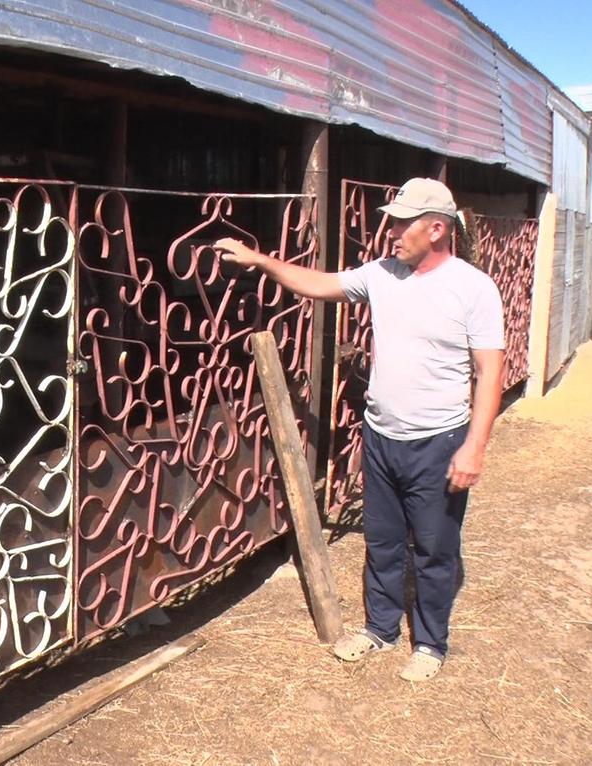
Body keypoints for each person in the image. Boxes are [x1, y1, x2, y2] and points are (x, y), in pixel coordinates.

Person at [214, 178, 504, 682]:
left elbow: (491, 372)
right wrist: (260, 261)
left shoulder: (473, 288)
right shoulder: (382, 274)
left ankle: (431, 644)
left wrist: (474, 447)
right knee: (384, 540)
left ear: (436, 229)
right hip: (381, 436)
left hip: (439, 442)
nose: (389, 232)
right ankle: (381, 628)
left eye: (401, 223)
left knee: (435, 547)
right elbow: (321, 284)